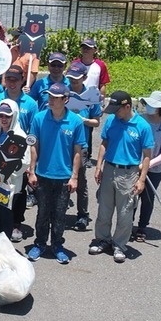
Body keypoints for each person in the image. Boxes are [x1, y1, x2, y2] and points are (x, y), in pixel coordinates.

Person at [25, 83, 86, 265]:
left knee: (59, 215)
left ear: (65, 100)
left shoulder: (75, 121)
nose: (50, 100)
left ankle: (58, 245)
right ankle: (40, 243)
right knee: (42, 213)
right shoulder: (39, 118)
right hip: (43, 175)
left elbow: (77, 151)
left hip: (63, 177)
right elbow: (33, 146)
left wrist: (74, 177)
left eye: (54, 97)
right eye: (49, 96)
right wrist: (32, 171)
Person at [90, 91, 154, 264]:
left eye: (117, 110)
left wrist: (141, 179)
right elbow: (105, 143)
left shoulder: (142, 126)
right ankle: (103, 239)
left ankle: (119, 244)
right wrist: (98, 166)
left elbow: (147, 155)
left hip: (129, 173)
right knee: (104, 208)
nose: (114, 113)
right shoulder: (111, 120)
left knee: (125, 212)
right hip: (109, 169)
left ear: (127, 107)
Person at [133, 91, 161, 243]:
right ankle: (126, 224)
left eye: (154, 105)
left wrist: (150, 163)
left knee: (147, 199)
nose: (150, 107)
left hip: (154, 170)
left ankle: (142, 228)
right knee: (131, 196)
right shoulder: (139, 119)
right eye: (149, 104)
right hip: (134, 167)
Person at [66, 61, 103, 231]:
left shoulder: (90, 96)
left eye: (77, 78)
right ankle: (60, 211)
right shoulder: (62, 92)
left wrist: (83, 121)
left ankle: (82, 215)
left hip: (81, 146)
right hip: (62, 144)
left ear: (85, 78)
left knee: (80, 180)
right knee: (60, 179)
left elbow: (96, 122)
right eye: (71, 78)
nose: (73, 81)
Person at [0, 99, 31, 241]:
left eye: (8, 116)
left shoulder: (20, 136)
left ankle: (4, 247)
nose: (4, 119)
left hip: (7, 184)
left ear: (14, 115)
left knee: (5, 216)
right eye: (0, 115)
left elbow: (24, 163)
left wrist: (3, 175)